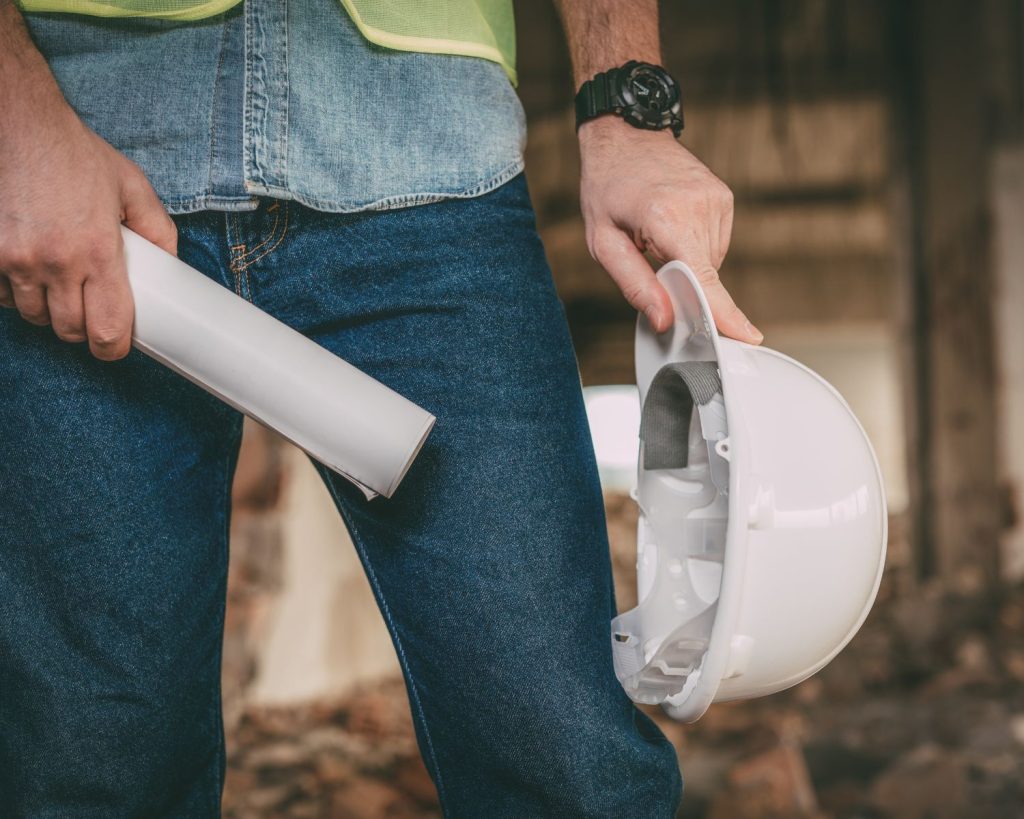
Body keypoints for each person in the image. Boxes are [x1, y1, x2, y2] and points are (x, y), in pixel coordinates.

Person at [0, 0, 761, 815]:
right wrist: (16, 117)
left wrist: (625, 107)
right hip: (83, 135)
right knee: (92, 769)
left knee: (565, 762)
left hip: (428, 150)